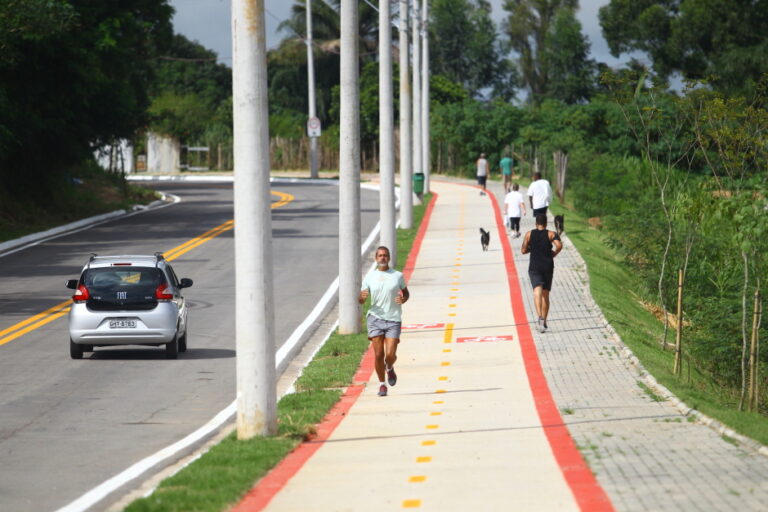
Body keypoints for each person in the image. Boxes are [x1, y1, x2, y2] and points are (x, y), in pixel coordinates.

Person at [359, 246, 410, 397]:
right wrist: (362, 298)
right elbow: (361, 299)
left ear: (389, 258)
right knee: (378, 354)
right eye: (380, 255)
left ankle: (389, 367)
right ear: (376, 258)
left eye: (385, 255)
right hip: (375, 318)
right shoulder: (370, 277)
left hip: (393, 319)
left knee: (390, 355)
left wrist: (403, 299)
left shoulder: (397, 276)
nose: (382, 258)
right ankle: (382, 385)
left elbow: (406, 294)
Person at [521, 215, 562, 333]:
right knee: (545, 294)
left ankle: (539, 317)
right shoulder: (551, 234)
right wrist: (554, 253)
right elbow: (559, 245)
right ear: (545, 223)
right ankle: (544, 321)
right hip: (547, 266)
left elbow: (523, 250)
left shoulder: (529, 234)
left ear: (536, 223)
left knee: (536, 291)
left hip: (534, 267)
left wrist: (532, 249)